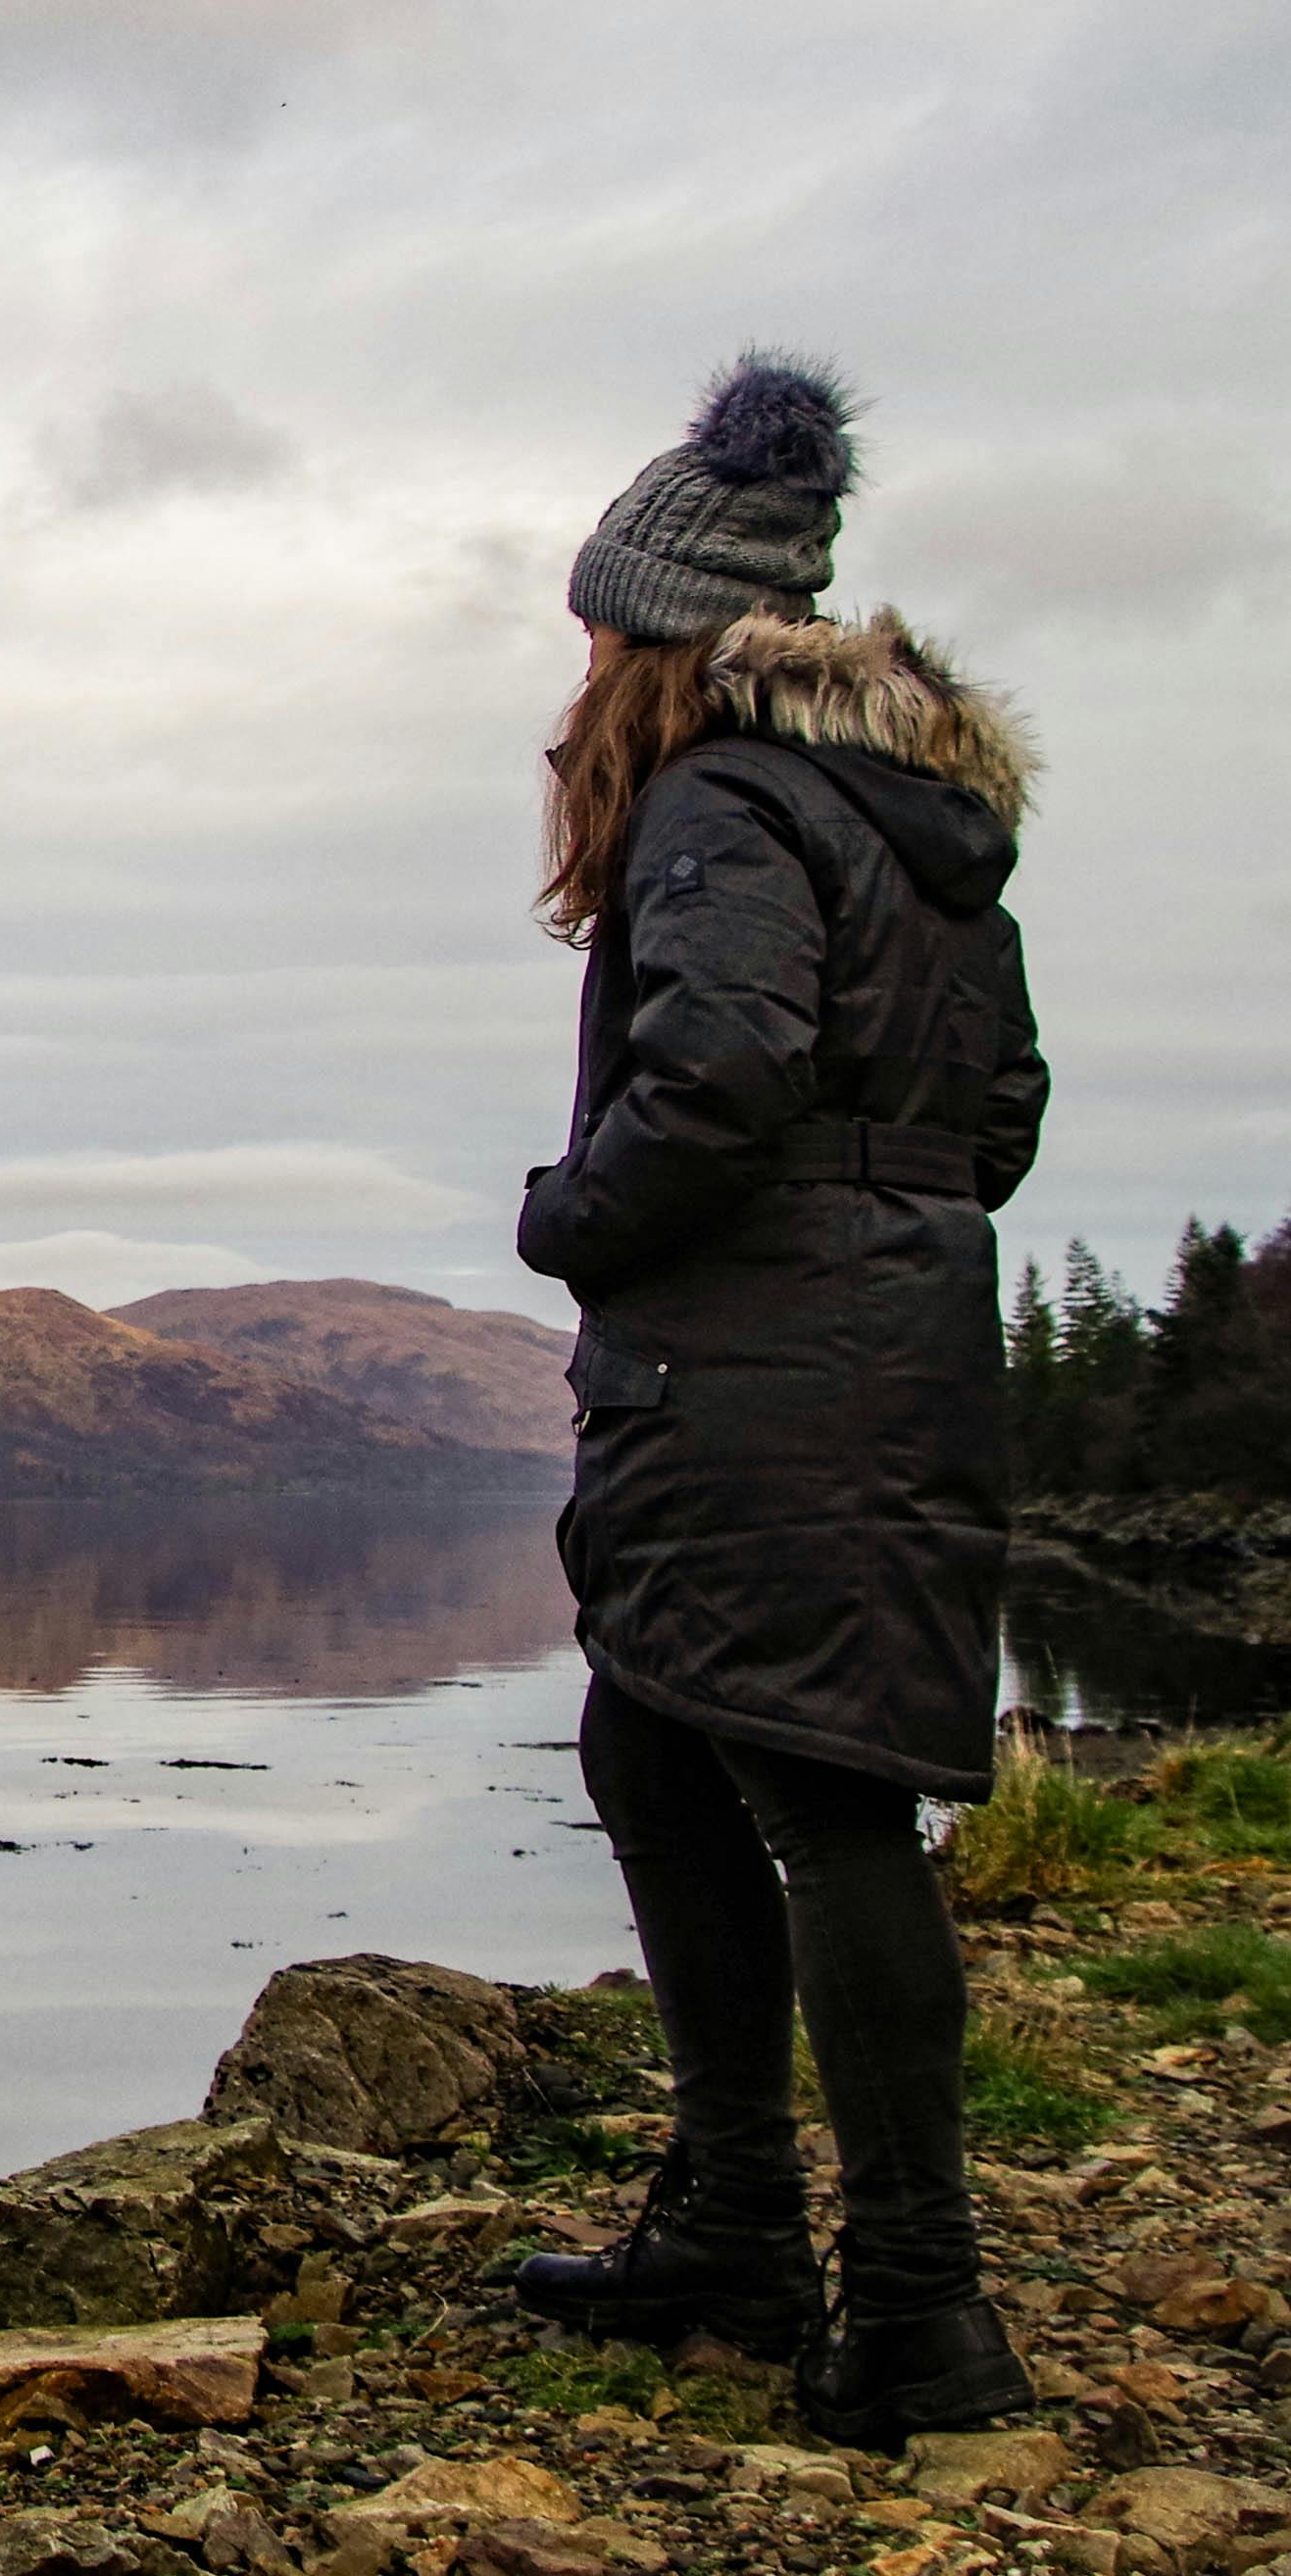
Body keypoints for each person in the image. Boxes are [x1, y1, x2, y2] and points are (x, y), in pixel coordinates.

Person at [500, 352, 1048, 2450]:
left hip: (749, 1364)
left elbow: (711, 1076)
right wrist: (874, 1226)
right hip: (885, 1335)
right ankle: (736, 2225)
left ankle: (917, 2309)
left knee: (819, 1799)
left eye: (597, 636)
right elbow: (998, 1111)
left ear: (665, 637)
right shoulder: (924, 824)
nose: (577, 683)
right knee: (656, 1738)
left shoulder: (721, 800)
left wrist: (576, 1215)